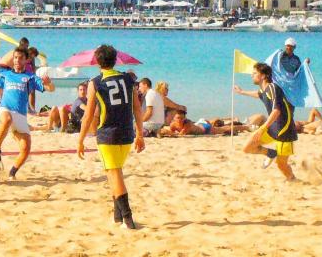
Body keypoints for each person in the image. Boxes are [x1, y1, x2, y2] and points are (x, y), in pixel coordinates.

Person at [76, 45, 145, 230]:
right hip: (127, 133)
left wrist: (81, 139)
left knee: (114, 174)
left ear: (98, 62)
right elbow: (137, 108)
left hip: (108, 133)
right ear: (115, 59)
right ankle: (117, 217)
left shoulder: (96, 82)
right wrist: (140, 133)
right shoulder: (128, 79)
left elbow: (88, 114)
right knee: (114, 172)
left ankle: (128, 219)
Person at [0, 47, 54, 180]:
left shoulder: (31, 77)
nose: (17, 60)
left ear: (26, 60)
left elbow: (50, 89)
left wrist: (49, 83)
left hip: (20, 116)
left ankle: (12, 173)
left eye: (20, 58)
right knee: (7, 119)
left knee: (25, 149)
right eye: (15, 57)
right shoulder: (6, 75)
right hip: (5, 110)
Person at [234, 62, 297, 180]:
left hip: (284, 131)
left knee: (281, 164)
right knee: (248, 147)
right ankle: (270, 153)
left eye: (254, 73)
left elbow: (276, 111)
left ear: (263, 76)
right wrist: (242, 92)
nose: (252, 75)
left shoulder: (273, 87)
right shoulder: (265, 90)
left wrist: (262, 128)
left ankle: (292, 179)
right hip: (273, 127)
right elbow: (259, 94)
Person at [159, 110, 252, 136]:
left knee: (224, 129)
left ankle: (245, 127)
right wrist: (168, 133)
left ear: (184, 118)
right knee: (224, 129)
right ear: (174, 118)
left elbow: (180, 135)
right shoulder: (173, 124)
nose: (179, 120)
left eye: (181, 118)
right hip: (201, 125)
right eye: (178, 118)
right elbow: (172, 132)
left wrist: (168, 133)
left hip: (205, 129)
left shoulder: (187, 123)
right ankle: (244, 127)